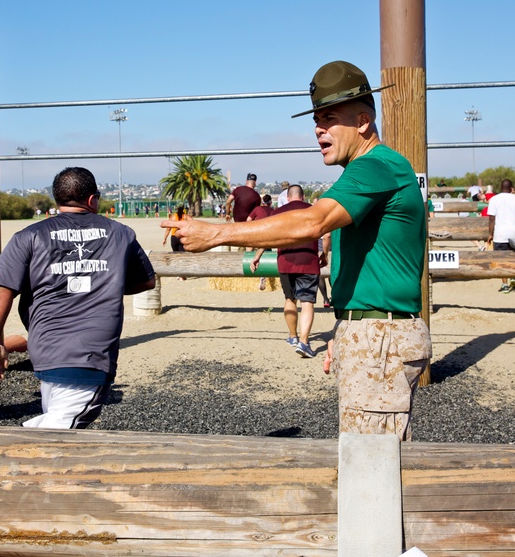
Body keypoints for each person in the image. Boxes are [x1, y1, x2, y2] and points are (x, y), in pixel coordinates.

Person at [162, 60, 430, 440]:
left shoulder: (376, 167)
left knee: (372, 464)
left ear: (363, 122)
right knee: (369, 455)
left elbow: (310, 223)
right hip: (374, 328)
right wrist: (348, 326)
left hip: (381, 334)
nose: (318, 128)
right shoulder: (375, 169)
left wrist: (217, 235)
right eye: (316, 119)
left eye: (329, 117)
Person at [0, 167, 156, 429]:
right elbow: (146, 280)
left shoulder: (28, 236)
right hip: (89, 356)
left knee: (57, 424)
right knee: (55, 436)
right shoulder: (121, 233)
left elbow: (2, 289)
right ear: (91, 200)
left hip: (45, 350)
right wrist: (104, 285)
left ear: (58, 200)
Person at [250, 185, 323, 358]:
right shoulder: (314, 211)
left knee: (290, 299)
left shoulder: (278, 212)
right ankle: (304, 343)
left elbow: (267, 237)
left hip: (286, 261)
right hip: (308, 260)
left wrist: (257, 256)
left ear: (288, 197)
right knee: (307, 302)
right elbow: (325, 236)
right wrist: (324, 254)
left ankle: (292, 336)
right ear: (303, 196)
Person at [486, 178, 515, 293]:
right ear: (511, 188)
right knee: (513, 257)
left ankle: (504, 285)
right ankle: (513, 277)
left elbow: (491, 218)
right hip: (514, 233)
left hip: (500, 234)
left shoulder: (494, 199)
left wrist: (490, 234)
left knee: (501, 259)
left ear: (500, 188)